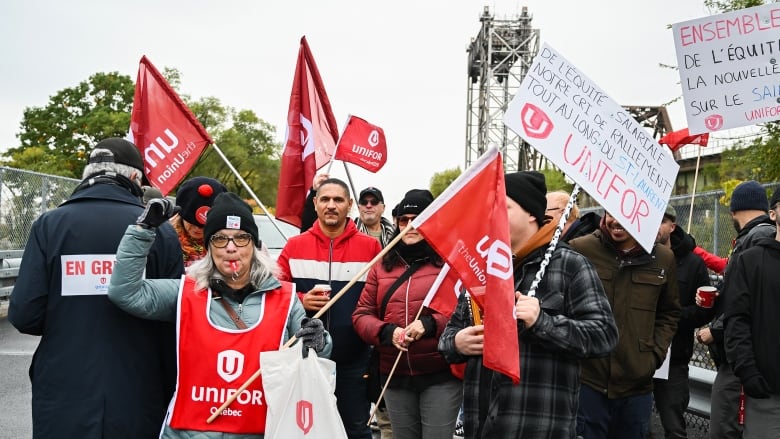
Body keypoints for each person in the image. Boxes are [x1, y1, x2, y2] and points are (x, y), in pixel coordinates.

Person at [108, 191, 332, 438]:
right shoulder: (186, 293)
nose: (231, 248)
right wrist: (144, 229)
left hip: (258, 431)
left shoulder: (285, 299)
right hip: (188, 432)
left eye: (241, 238)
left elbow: (309, 356)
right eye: (220, 239)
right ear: (208, 247)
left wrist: (319, 341)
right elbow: (125, 292)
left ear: (255, 246)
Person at [8, 137, 185, 438]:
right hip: (139, 392)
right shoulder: (161, 232)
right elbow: (176, 319)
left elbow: (26, 315)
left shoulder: (49, 225)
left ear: (87, 175)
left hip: (64, 394)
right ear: (135, 179)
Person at [438, 171, 618, 439]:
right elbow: (448, 336)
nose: (492, 214)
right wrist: (456, 343)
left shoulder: (569, 265)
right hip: (482, 425)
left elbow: (604, 336)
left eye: (503, 207)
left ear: (532, 213)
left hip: (538, 426)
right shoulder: (482, 266)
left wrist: (542, 322)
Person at [277, 177, 382, 439]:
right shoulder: (294, 246)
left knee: (355, 428)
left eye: (338, 200)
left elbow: (381, 296)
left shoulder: (371, 248)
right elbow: (274, 292)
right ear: (315, 203)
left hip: (354, 358)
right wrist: (301, 298)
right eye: (325, 199)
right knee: (307, 429)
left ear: (349, 205)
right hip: (306, 358)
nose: (331, 205)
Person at [353, 190, 461, 439]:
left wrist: (430, 324)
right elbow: (361, 314)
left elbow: (463, 312)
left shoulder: (450, 264)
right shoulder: (382, 265)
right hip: (395, 374)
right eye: (405, 219)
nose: (411, 225)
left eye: (419, 217)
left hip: (440, 374)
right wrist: (387, 332)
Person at [569, 209, 680, 439]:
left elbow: (669, 313)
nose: (616, 220)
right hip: (588, 383)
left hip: (637, 387)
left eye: (627, 212)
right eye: (612, 212)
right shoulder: (580, 249)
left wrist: (653, 356)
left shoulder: (663, 258)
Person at [696, 180, 775, 439]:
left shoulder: (759, 239)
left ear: (734, 211)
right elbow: (743, 295)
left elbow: (748, 308)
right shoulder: (753, 239)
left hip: (745, 360)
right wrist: (719, 298)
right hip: (744, 359)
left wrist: (716, 330)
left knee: (726, 428)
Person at [652, 205, 714, 439]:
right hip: (638, 354)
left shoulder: (693, 263)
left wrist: (670, 317)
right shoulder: (638, 255)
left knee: (674, 427)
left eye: (661, 221)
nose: (655, 226)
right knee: (635, 424)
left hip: (674, 358)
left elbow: (704, 313)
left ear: (672, 226)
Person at [723, 185, 780, 438]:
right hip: (768, 394)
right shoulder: (752, 260)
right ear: (773, 214)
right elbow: (737, 320)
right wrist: (748, 371)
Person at [301, 173, 395, 246]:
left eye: (374, 202)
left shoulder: (397, 236)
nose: (368, 205)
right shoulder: (345, 231)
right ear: (358, 207)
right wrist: (315, 191)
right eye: (364, 202)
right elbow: (309, 229)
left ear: (383, 208)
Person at [170, 176, 227, 267]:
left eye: (204, 226)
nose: (198, 228)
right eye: (192, 223)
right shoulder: (166, 240)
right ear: (181, 216)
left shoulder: (228, 246)